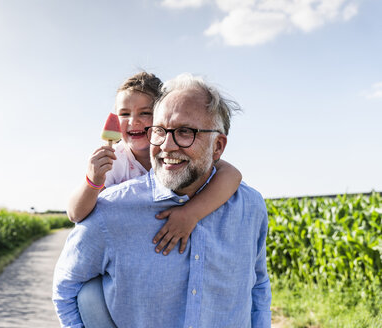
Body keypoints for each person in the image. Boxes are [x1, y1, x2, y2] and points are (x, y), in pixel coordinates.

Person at [53, 73, 271, 327]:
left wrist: (191, 213)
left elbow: (258, 287)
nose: (167, 145)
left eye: (185, 131)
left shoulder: (250, 207)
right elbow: (66, 287)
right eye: (160, 131)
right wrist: (92, 181)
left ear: (218, 147)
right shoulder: (111, 199)